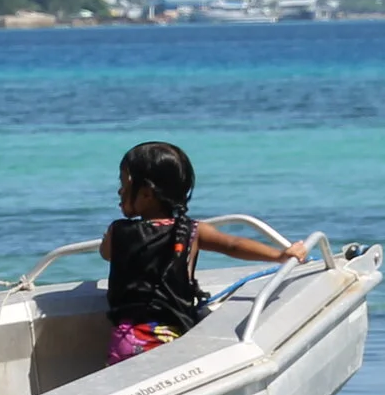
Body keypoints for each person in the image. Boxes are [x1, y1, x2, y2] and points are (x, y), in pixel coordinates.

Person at [101, 141, 307, 365]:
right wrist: (280, 255)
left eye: (124, 183)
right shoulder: (191, 231)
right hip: (169, 340)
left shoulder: (118, 231)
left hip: (125, 341)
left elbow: (106, 253)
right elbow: (233, 244)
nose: (120, 191)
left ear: (147, 194)